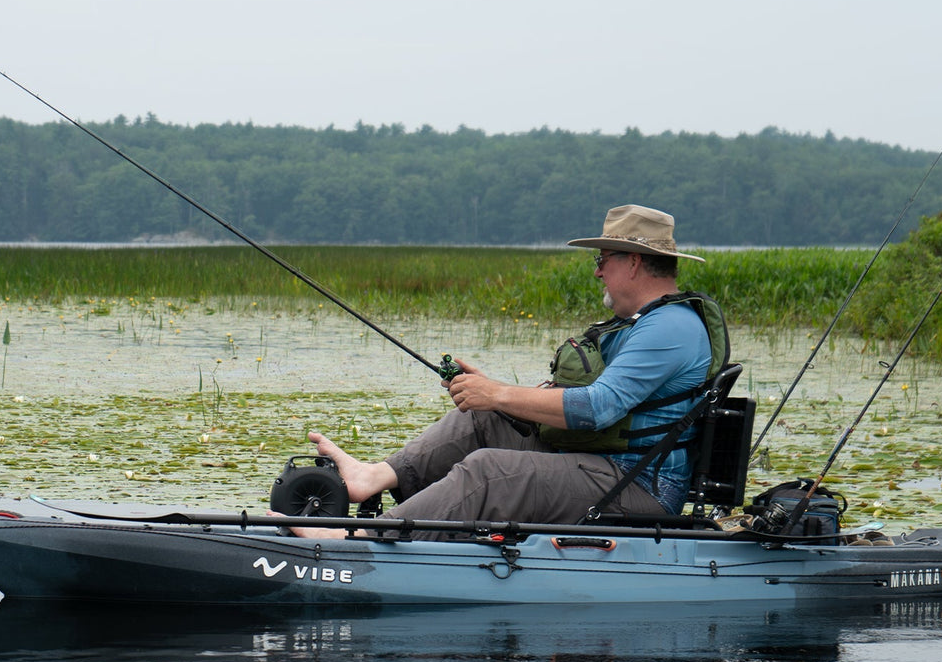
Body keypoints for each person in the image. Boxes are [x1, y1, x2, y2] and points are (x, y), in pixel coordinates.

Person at [278, 204, 728, 539]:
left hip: (637, 484)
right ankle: (374, 477)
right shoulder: (636, 324)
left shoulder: (671, 328)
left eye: (602, 260)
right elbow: (580, 401)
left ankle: (357, 540)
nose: (597, 273)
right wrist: (490, 395)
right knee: (483, 418)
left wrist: (496, 392)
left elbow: (599, 408)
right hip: (603, 464)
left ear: (632, 261)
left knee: (490, 469)